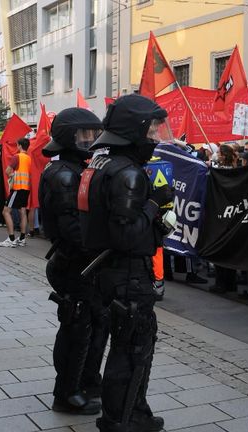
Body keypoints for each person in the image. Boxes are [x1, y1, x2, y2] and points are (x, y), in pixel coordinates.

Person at [79, 94, 174, 432]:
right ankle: (122, 419)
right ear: (134, 129)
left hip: (111, 272)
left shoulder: (101, 163)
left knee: (128, 346)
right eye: (151, 129)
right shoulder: (128, 174)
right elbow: (127, 236)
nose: (155, 137)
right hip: (128, 273)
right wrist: (153, 204)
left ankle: (134, 411)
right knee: (132, 348)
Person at [39, 107, 106, 414]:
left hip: (81, 264)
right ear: (68, 137)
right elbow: (74, 230)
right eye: (84, 136)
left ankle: (86, 381)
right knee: (76, 330)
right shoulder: (65, 174)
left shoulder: (74, 169)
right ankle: (65, 392)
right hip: (73, 264)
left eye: (93, 135)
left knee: (91, 327)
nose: (90, 141)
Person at [0, 137, 31, 247]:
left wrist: (12, 175)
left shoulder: (17, 157)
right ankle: (22, 238)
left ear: (20, 146)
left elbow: (7, 171)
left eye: (17, 145)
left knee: (6, 211)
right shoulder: (28, 158)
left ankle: (11, 239)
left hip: (17, 188)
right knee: (23, 212)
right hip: (26, 188)